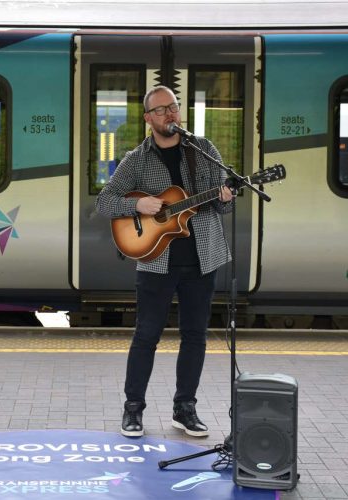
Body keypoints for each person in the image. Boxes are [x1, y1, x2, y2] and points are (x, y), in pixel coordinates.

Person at [95, 85, 235, 438]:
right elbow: (105, 202)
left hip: (203, 259)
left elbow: (221, 204)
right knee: (146, 336)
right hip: (156, 260)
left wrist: (227, 196)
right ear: (148, 119)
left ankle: (184, 408)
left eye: (173, 107)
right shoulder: (137, 160)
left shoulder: (203, 150)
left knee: (195, 336)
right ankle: (133, 409)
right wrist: (136, 205)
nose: (169, 114)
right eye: (161, 110)